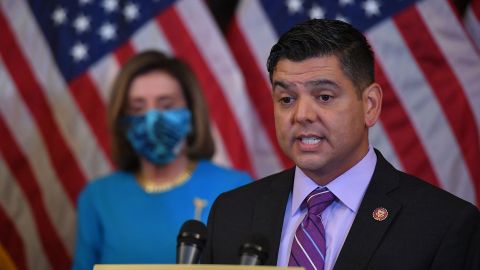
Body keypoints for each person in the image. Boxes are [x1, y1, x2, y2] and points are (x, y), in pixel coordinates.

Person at [202, 19, 480, 269]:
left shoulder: (443, 224)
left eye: (324, 96)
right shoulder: (231, 213)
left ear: (370, 105)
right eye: (286, 99)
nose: (302, 115)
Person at [71, 50, 252, 270]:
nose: (152, 119)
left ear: (192, 112)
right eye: (138, 108)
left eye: (166, 106)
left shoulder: (235, 189)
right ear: (123, 120)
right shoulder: (97, 197)